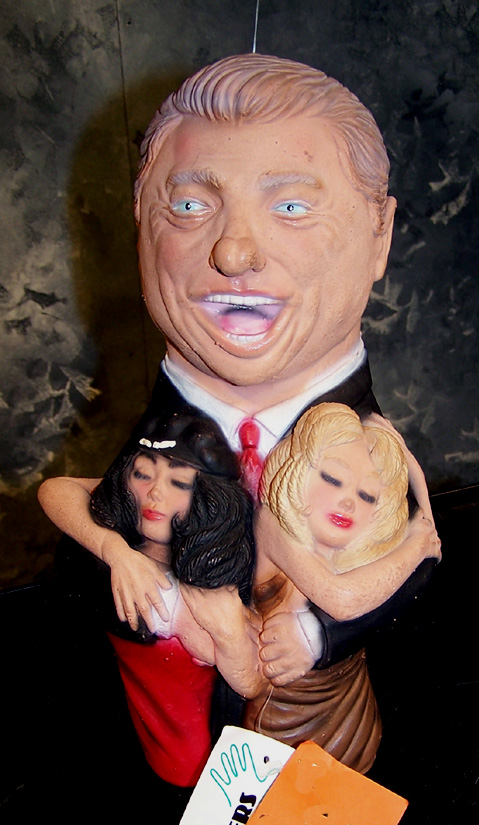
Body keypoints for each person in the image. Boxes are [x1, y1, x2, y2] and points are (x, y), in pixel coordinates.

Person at [38, 55, 440, 763]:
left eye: (291, 207)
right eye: (190, 206)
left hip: (323, 749)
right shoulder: (154, 446)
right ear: (140, 224)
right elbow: (82, 557)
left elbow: (412, 568)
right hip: (177, 761)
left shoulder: (375, 451)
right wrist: (169, 607)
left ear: (378, 237)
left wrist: (314, 635)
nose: (233, 251)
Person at [41, 408, 265, 792]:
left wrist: (230, 631)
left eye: (179, 483)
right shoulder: (134, 575)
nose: (155, 493)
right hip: (166, 745)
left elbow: (251, 681)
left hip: (208, 759)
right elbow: (55, 489)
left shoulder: (203, 588)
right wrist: (115, 551)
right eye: (142, 475)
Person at [244, 402, 429, 772]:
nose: (348, 501)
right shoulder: (273, 526)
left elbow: (429, 532)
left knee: (354, 779)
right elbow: (340, 600)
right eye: (332, 479)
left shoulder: (356, 550)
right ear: (299, 471)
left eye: (367, 496)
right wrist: (416, 546)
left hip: (350, 702)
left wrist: (408, 465)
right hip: (285, 718)